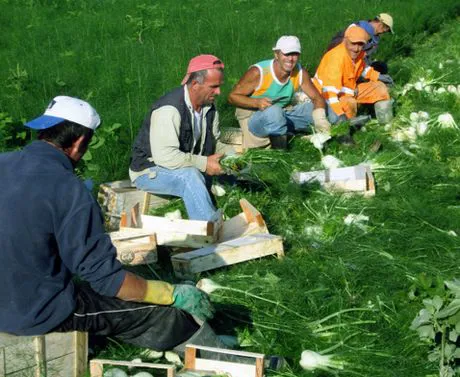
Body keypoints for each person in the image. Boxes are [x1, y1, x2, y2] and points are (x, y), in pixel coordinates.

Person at [0, 95, 225, 354]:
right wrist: (170, 294)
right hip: (33, 313)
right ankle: (226, 359)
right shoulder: (69, 191)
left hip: (12, 292)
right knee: (161, 317)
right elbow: (109, 282)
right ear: (80, 142)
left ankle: (92, 342)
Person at [129, 55, 230, 222]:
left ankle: (234, 216)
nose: (219, 92)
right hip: (150, 170)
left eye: (220, 86)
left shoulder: (209, 107)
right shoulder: (169, 110)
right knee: (189, 177)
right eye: (214, 86)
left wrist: (234, 157)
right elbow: (166, 158)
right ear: (195, 84)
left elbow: (215, 142)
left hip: (183, 163)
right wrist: (204, 163)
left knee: (230, 175)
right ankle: (210, 233)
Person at [228, 36, 331, 150]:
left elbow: (317, 98)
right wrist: (256, 102)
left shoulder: (300, 73)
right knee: (274, 112)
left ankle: (333, 141)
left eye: (295, 54)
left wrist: (320, 119)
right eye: (286, 54)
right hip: (255, 118)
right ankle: (280, 155)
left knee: (329, 110)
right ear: (276, 54)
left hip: (283, 113)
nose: (291, 59)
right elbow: (233, 97)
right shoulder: (259, 72)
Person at [313, 25, 393, 125]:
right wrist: (339, 114)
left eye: (360, 44)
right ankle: (347, 127)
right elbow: (329, 94)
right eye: (353, 44)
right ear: (345, 40)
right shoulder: (335, 58)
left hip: (350, 91)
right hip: (328, 97)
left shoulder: (358, 54)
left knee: (380, 88)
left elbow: (362, 69)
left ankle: (386, 123)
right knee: (349, 103)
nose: (356, 48)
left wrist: (378, 76)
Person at [326, 13, 394, 74]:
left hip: (356, 64)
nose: (384, 31)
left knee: (381, 67)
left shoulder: (374, 38)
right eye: (386, 29)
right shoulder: (357, 29)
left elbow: (365, 56)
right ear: (380, 24)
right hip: (341, 63)